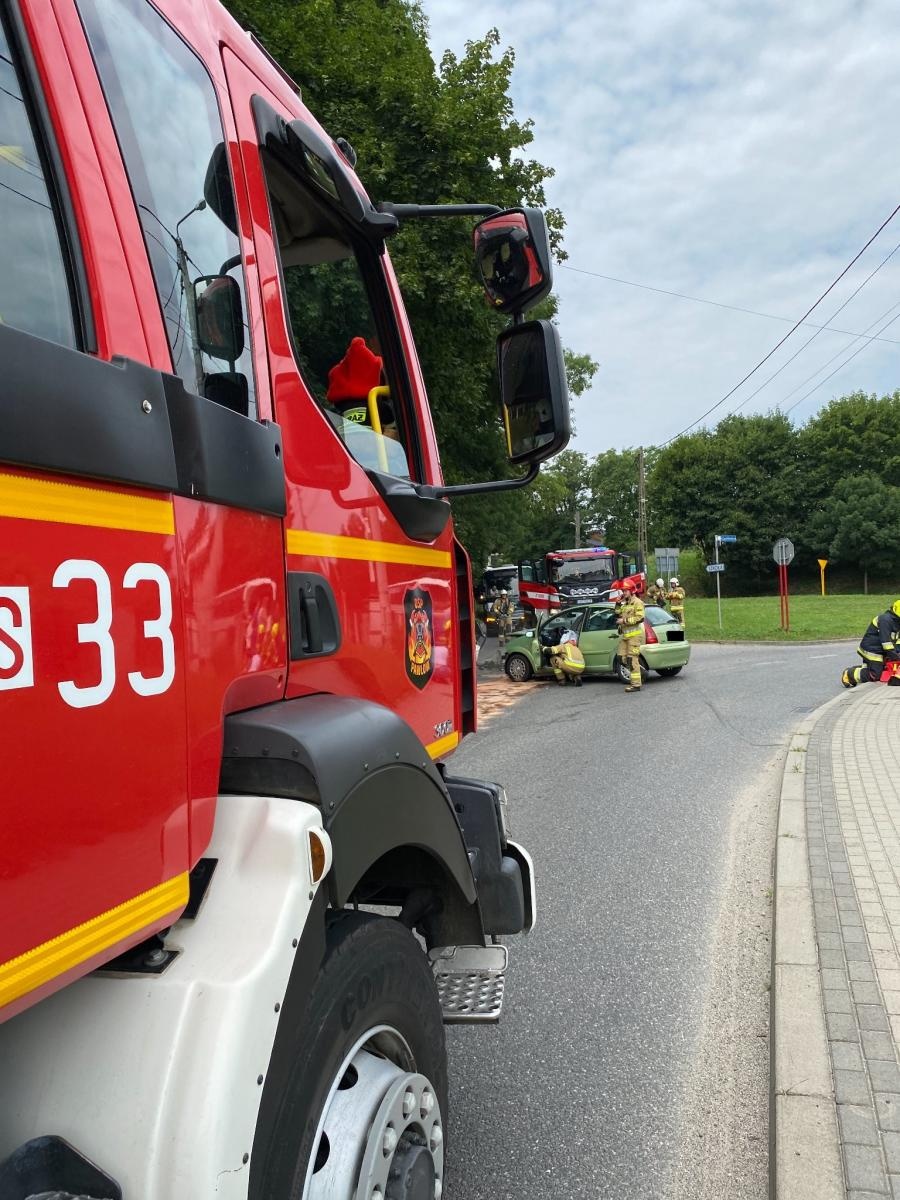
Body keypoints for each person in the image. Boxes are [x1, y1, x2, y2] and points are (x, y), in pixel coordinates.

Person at [841, 600, 900, 687]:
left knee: (884, 667)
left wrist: (897, 653)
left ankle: (865, 668)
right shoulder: (885, 620)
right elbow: (886, 643)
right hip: (872, 650)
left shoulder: (897, 622)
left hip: (881, 650)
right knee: (875, 675)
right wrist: (896, 656)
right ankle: (850, 674)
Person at [616, 578, 645, 693]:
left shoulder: (637, 602)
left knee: (632, 660)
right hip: (625, 636)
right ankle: (641, 671)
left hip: (634, 637)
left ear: (632, 590)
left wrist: (624, 621)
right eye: (623, 591)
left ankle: (636, 684)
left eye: (626, 591)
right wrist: (618, 604)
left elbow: (640, 618)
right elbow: (617, 613)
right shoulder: (625, 603)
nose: (624, 593)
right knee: (620, 658)